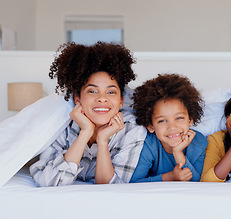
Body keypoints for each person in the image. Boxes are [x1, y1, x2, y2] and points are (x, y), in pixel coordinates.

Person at [30, 42, 146, 187]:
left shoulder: (132, 129)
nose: (102, 98)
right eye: (92, 91)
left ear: (121, 101)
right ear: (77, 98)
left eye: (111, 92)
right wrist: (85, 132)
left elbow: (111, 187)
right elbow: (51, 183)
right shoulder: (61, 124)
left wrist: (102, 140)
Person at [130, 74, 207, 182]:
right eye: (162, 121)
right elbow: (134, 182)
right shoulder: (147, 145)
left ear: (190, 120)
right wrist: (170, 177)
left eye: (179, 118)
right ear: (151, 126)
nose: (172, 127)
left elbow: (196, 181)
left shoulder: (199, 142)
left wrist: (178, 152)